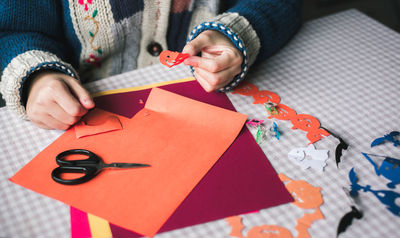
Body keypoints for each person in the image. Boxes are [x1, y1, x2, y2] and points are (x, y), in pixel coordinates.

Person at [0, 0, 302, 130]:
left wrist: (236, 33)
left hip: (214, 100)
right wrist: (37, 78)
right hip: (85, 107)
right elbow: (14, 30)